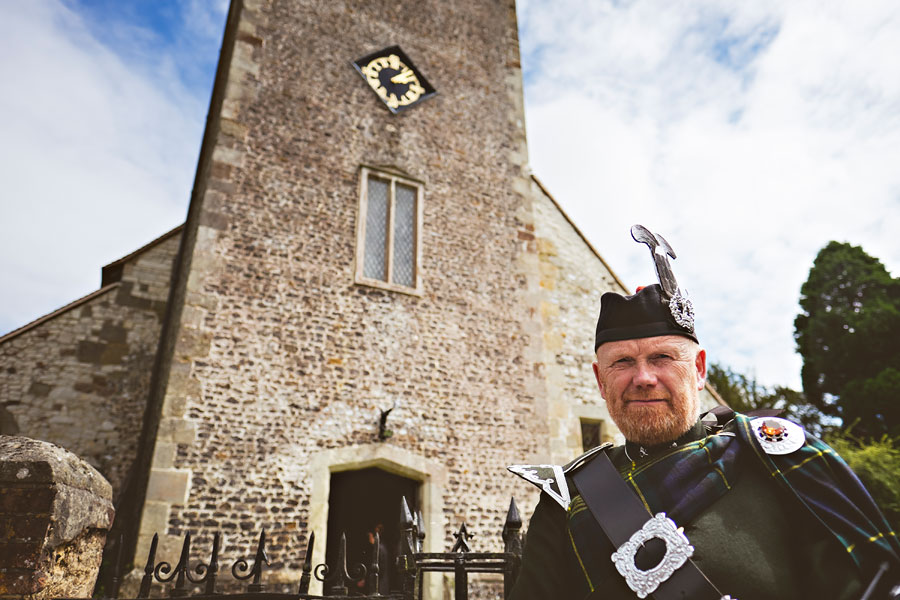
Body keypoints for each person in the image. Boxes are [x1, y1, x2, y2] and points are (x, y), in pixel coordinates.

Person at [508, 225, 900, 600]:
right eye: (622, 362)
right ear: (600, 380)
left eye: (662, 357)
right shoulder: (568, 498)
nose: (643, 378)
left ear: (698, 369)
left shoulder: (776, 456)